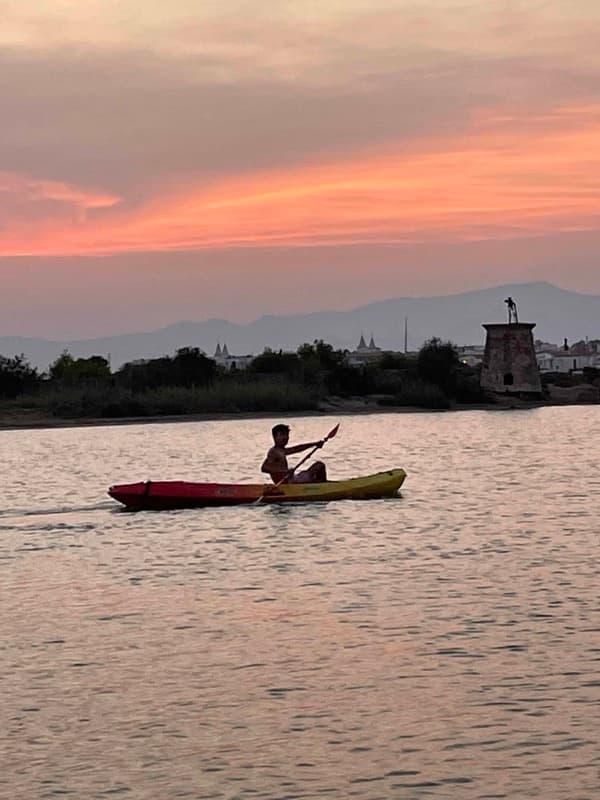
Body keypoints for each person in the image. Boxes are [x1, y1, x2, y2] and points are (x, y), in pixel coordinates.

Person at [261, 423, 327, 484]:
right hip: (287, 483)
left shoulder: (282, 450)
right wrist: (285, 471)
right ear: (275, 437)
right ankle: (322, 487)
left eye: (287, 434)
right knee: (319, 465)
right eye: (282, 435)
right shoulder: (273, 452)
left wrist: (315, 444)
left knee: (318, 466)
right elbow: (264, 468)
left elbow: (297, 448)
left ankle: (319, 485)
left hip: (292, 479)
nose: (285, 437)